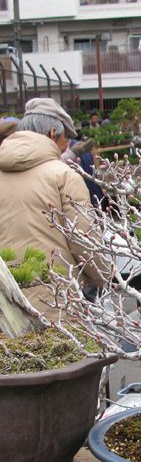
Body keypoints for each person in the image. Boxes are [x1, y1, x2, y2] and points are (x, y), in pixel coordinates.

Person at [0, 98, 105, 321]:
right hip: (55, 301)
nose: (65, 146)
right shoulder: (62, 175)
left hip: (4, 306)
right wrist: (103, 276)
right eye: (65, 139)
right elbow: (84, 241)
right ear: (53, 133)